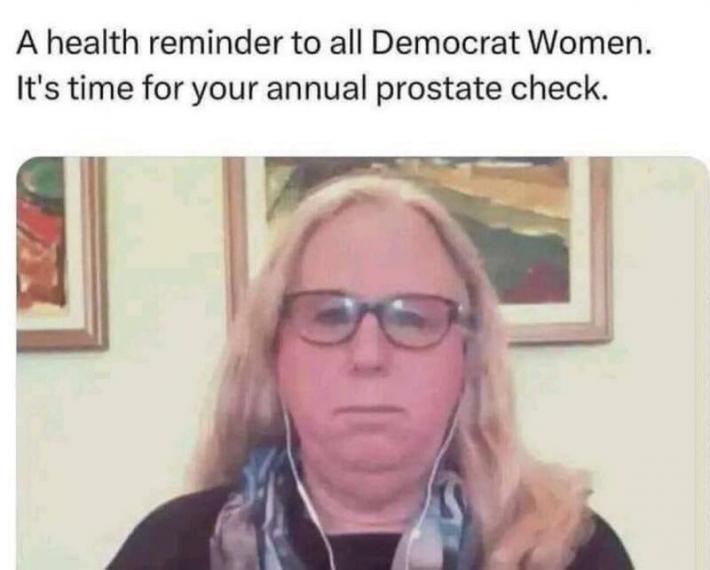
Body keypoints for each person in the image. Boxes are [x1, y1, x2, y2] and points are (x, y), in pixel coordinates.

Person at [110, 174, 634, 570]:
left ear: (468, 357)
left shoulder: (568, 554)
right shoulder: (173, 548)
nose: (368, 355)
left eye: (413, 317)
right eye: (328, 314)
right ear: (274, 351)